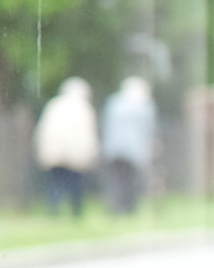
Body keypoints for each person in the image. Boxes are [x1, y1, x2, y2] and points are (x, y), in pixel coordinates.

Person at [32, 75, 99, 214]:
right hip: (76, 155)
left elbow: (43, 130)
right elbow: (88, 134)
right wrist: (91, 153)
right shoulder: (84, 108)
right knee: (76, 185)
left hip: (55, 153)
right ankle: (76, 212)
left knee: (56, 183)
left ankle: (53, 210)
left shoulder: (54, 105)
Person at [99, 75, 158, 216]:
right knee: (131, 180)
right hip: (134, 150)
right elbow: (150, 128)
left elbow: (105, 124)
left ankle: (116, 207)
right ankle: (128, 208)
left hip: (113, 148)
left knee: (116, 180)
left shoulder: (114, 103)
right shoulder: (144, 105)